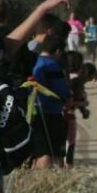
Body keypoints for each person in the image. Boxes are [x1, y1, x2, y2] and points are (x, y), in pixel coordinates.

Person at [30, 20, 73, 168]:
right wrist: (69, 98)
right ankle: (47, 185)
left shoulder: (33, 61)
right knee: (51, 155)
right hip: (51, 114)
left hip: (33, 112)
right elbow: (63, 91)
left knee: (38, 152)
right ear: (58, 52)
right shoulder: (51, 65)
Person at [63, 51, 93, 167]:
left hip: (54, 113)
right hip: (68, 114)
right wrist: (84, 105)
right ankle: (68, 165)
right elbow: (75, 99)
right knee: (70, 141)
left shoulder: (62, 75)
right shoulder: (77, 80)